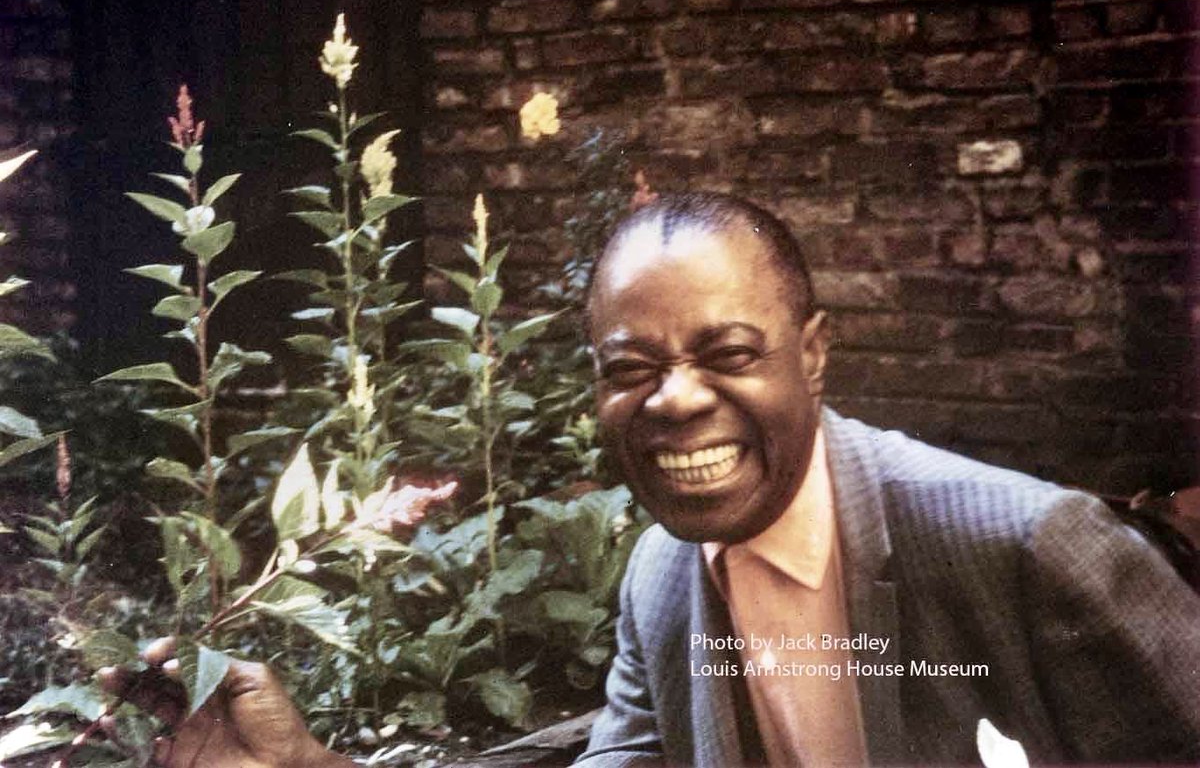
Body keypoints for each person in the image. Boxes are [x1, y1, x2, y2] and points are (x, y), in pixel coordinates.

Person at [105, 192, 1200, 766]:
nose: (673, 401)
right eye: (630, 370)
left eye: (729, 354)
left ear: (813, 354)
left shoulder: (1030, 547)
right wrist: (305, 766)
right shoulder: (663, 580)